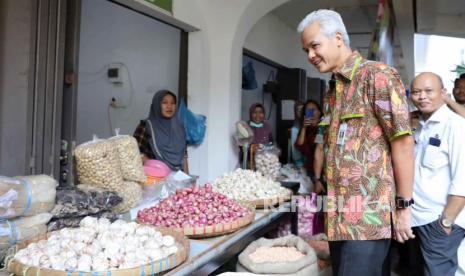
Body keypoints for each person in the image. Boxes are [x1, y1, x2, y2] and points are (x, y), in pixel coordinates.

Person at [297, 9, 415, 275]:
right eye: (306, 50)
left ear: (338, 38)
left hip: (367, 220)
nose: (310, 56)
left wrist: (404, 207)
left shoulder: (377, 76)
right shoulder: (333, 90)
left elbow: (403, 144)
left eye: (315, 46)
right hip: (338, 218)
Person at [409, 72, 465, 276]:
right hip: (415, 219)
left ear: (443, 93)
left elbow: (463, 179)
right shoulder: (419, 126)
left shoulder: (456, 125)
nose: (422, 96)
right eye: (416, 92)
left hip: (438, 221)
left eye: (428, 91)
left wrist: (446, 222)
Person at [133, 90, 187, 172]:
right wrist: (156, 166)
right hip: (154, 178)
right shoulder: (146, 126)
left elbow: (184, 157)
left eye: (172, 103)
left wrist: (188, 180)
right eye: (164, 102)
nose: (169, 106)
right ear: (157, 105)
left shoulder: (179, 128)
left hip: (178, 179)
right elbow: (134, 151)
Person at [294, 100, 322, 176]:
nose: (311, 112)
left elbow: (319, 146)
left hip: (321, 169)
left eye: (314, 110)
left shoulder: (324, 126)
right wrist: (304, 128)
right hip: (309, 169)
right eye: (308, 110)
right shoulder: (305, 129)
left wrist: (318, 126)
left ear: (319, 112)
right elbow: (299, 145)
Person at [290, 101, 305, 168]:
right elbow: (295, 147)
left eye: (302, 109)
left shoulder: (310, 123)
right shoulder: (295, 128)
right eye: (298, 110)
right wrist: (298, 161)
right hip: (300, 161)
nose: (300, 111)